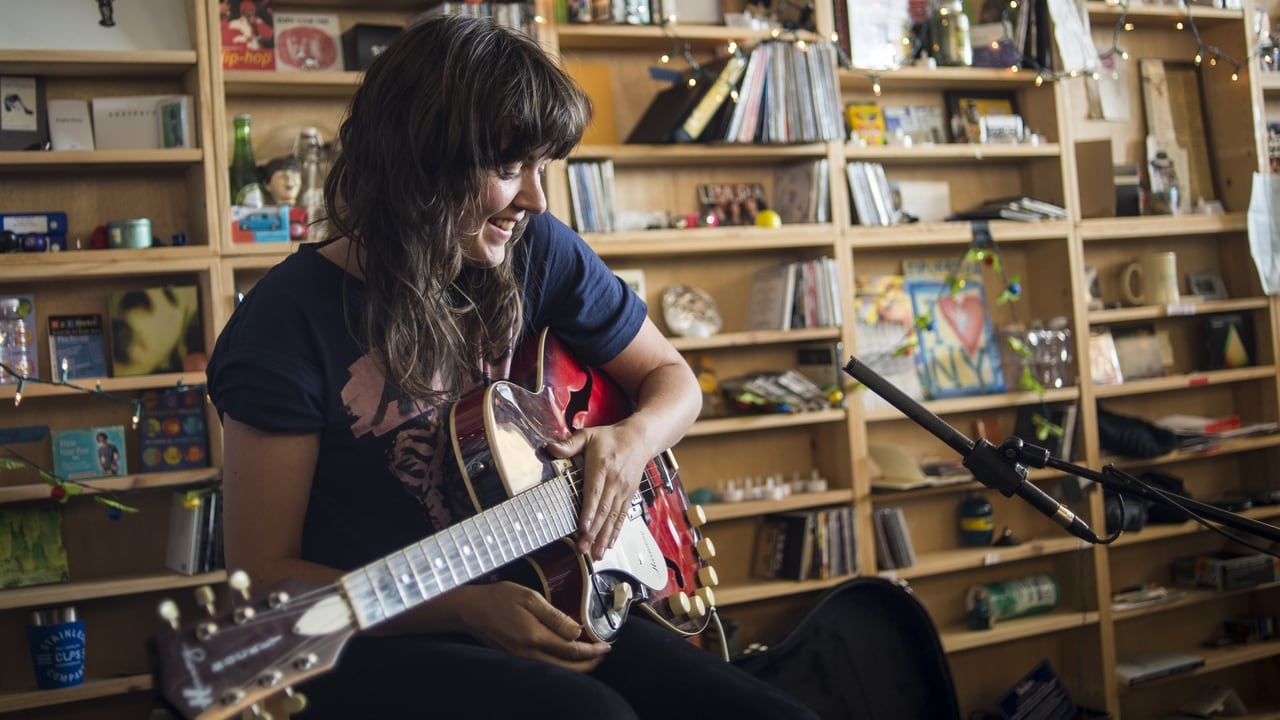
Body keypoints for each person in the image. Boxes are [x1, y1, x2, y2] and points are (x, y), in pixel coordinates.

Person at [205, 14, 816, 720]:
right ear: (417, 163)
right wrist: (466, 608)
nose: (536, 200)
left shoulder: (536, 251)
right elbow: (263, 585)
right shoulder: (284, 326)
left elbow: (674, 382)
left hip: (546, 591)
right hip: (378, 641)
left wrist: (631, 441)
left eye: (542, 167)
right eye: (507, 168)